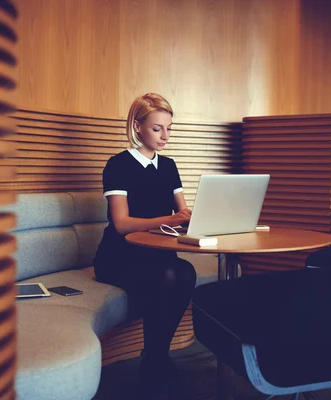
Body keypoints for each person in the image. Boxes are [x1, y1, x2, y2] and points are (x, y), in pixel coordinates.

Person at [93, 93, 197, 400]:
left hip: (158, 254)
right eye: (157, 129)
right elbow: (121, 224)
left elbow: (182, 214)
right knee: (168, 275)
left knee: (186, 273)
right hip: (118, 257)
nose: (165, 136)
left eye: (169, 129)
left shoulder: (169, 166)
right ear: (137, 127)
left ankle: (154, 355)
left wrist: (197, 219)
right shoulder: (118, 165)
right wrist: (171, 217)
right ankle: (155, 360)